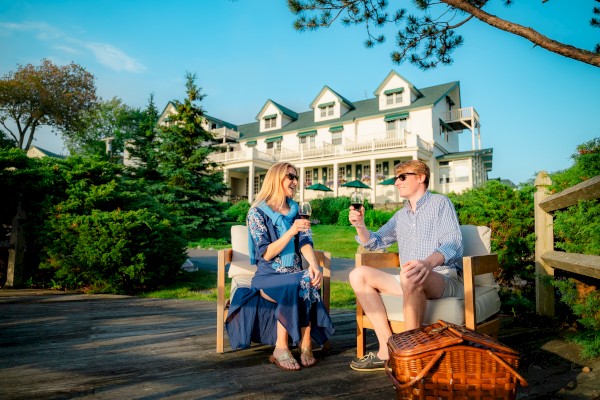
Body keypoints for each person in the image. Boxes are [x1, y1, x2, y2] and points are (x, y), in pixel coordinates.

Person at [347, 160, 463, 372]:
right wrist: (360, 225)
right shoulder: (401, 215)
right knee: (358, 274)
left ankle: (411, 353)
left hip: (442, 277)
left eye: (402, 177)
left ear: (421, 177)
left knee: (410, 274)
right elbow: (374, 242)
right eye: (395, 178)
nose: (397, 182)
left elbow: (453, 242)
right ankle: (387, 349)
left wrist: (427, 263)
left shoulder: (440, 203)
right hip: (408, 279)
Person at [225, 162, 334, 371]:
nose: (295, 181)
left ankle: (301, 343)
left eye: (296, 178)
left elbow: (305, 242)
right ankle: (289, 345)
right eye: (290, 177)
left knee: (306, 277)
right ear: (276, 179)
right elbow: (266, 253)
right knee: (300, 281)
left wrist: (313, 264)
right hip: (268, 277)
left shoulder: (297, 210)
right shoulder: (257, 213)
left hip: (294, 275)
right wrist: (291, 231)